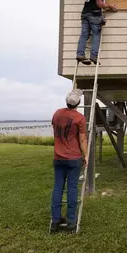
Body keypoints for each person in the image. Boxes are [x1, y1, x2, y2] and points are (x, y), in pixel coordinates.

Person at [49, 89, 88, 233]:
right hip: (73, 157)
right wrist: (86, 155)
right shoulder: (80, 118)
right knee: (72, 188)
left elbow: (55, 129)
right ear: (78, 103)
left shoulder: (57, 113)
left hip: (58, 157)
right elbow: (82, 139)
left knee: (58, 187)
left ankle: (55, 220)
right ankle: (71, 221)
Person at [76, 0, 118, 65]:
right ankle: (93, 56)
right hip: (94, 15)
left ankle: (80, 54)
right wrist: (110, 6)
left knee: (84, 34)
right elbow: (100, 4)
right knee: (95, 35)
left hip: (85, 14)